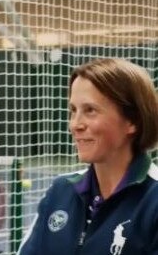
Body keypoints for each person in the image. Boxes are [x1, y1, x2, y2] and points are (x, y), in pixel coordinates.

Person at [17, 58, 158, 255]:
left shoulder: (153, 201)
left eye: (90, 110)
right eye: (73, 110)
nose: (75, 124)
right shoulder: (59, 191)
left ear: (132, 120)